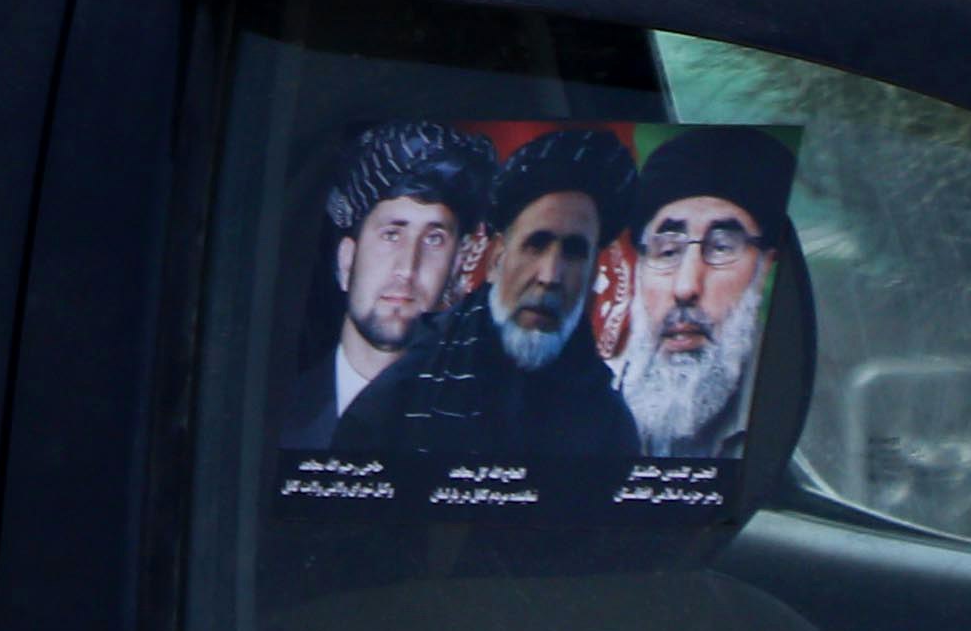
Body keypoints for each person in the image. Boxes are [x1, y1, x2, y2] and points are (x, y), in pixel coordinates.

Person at [284, 119, 487, 453]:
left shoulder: (484, 431)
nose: (407, 268)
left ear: (455, 267)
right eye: (392, 234)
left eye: (434, 239)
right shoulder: (274, 410)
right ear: (347, 260)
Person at [613, 127, 795, 463]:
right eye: (667, 251)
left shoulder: (794, 408)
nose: (685, 287)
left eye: (722, 247)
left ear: (766, 267)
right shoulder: (578, 405)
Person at [472, 124, 642, 468]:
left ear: (595, 272)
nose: (550, 277)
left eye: (575, 252)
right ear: (496, 259)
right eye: (536, 245)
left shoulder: (610, 426)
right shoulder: (409, 387)